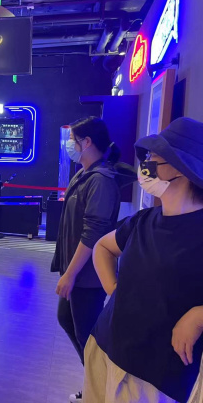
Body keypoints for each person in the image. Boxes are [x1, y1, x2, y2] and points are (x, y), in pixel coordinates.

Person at [85, 117, 203, 403]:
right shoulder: (144, 220)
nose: (145, 165)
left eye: (154, 157)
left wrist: (199, 315)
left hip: (154, 377)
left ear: (181, 167)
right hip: (104, 347)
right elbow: (103, 247)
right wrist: (115, 291)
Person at [51, 116, 127, 403]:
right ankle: (95, 382)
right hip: (77, 270)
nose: (70, 145)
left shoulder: (101, 180)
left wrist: (70, 274)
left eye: (73, 140)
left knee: (90, 337)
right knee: (67, 320)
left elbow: (93, 232)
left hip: (88, 274)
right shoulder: (84, 174)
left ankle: (101, 390)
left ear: (87, 142)